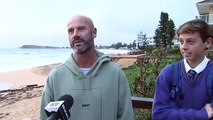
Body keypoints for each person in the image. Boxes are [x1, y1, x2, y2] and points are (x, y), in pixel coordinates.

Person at [39, 15, 134, 120]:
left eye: (81, 29)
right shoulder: (55, 76)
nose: (75, 34)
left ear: (94, 32)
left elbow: (126, 116)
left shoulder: (115, 74)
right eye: (71, 31)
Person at [152, 19, 213, 120]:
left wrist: (174, 113)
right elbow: (159, 114)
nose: (184, 47)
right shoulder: (168, 73)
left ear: (208, 43)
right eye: (181, 41)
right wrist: (201, 115)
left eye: (190, 41)